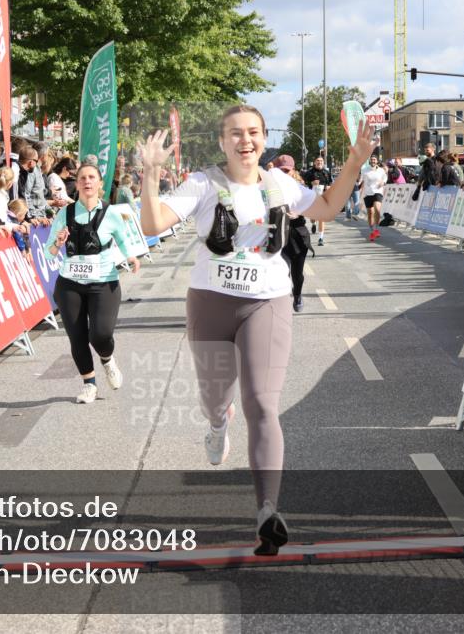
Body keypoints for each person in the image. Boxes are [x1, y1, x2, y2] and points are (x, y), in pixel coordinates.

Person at [138, 104, 376, 556]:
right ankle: (216, 422)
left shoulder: (279, 183)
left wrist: (355, 161)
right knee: (215, 397)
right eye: (234, 133)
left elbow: (326, 205)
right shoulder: (204, 184)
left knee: (263, 404)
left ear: (265, 138)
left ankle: (268, 510)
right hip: (210, 303)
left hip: (267, 301)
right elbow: (152, 224)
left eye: (252, 133)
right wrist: (151, 175)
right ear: (222, 141)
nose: (244, 140)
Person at [44, 163, 140, 404]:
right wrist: (57, 242)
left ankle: (107, 360)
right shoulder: (64, 214)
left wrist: (131, 256)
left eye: (91, 178)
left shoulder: (112, 213)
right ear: (76, 184)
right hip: (70, 285)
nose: (87, 182)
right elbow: (49, 253)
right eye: (82, 178)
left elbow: (125, 238)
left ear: (99, 183)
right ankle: (89, 384)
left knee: (100, 334)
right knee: (77, 337)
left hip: (103, 283)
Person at [273, 155, 313, 311]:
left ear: (292, 171)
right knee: (281, 271)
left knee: (297, 273)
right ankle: (281, 301)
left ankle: (297, 295)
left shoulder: (300, 188)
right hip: (278, 235)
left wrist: (299, 212)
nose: (284, 173)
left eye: (287, 170)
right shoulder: (268, 188)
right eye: (281, 170)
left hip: (297, 234)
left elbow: (315, 207)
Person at [358, 154, 387, 241]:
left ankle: (376, 229)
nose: (373, 161)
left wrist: (383, 182)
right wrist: (358, 186)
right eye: (372, 159)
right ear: (370, 161)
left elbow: (385, 177)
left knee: (377, 209)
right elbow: (360, 180)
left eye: (374, 160)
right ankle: (372, 231)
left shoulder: (381, 170)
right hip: (368, 193)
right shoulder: (364, 170)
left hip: (378, 192)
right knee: (370, 213)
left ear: (377, 161)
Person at [305, 156, 331, 246]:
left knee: (321, 218)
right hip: (312, 198)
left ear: (323, 162)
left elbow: (330, 183)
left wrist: (328, 187)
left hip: (323, 198)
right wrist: (311, 183)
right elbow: (303, 183)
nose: (319, 162)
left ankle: (320, 238)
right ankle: (313, 223)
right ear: (314, 162)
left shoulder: (326, 173)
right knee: (313, 218)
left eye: (321, 161)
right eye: (318, 161)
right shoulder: (309, 173)